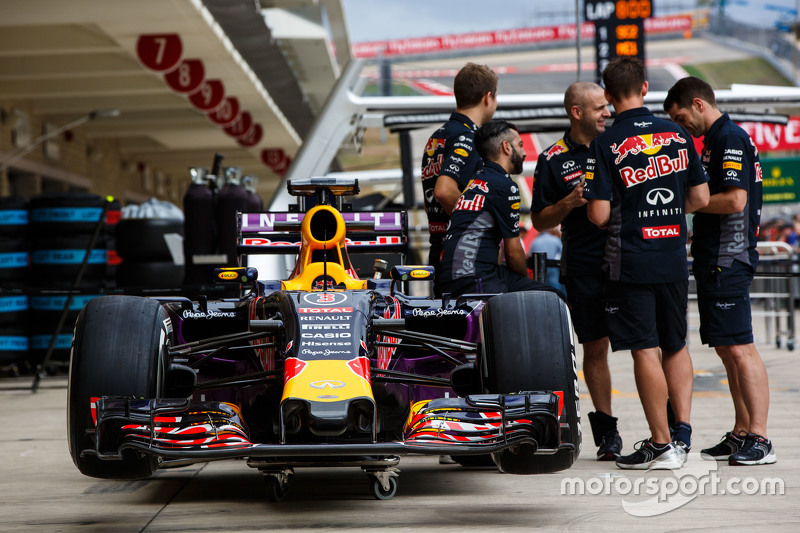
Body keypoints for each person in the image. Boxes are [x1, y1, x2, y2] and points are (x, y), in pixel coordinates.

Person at [583, 57, 709, 470]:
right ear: (646, 88)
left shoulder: (606, 142)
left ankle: (660, 444)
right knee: (675, 345)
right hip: (672, 255)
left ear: (607, 96)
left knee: (644, 349)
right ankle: (683, 433)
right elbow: (702, 199)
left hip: (630, 260)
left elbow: (599, 215)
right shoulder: (676, 132)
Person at [664, 76, 776, 466]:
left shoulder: (728, 137)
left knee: (741, 348)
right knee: (728, 351)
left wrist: (687, 204)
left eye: (681, 117)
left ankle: (760, 437)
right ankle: (742, 430)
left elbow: (733, 200)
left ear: (698, 104)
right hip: (715, 259)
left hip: (728, 258)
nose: (681, 126)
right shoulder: (713, 140)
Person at [530, 81, 621, 460]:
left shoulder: (619, 144)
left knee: (645, 347)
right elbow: (538, 219)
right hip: (582, 264)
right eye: (600, 107)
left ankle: (662, 433)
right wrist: (568, 202)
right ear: (576, 112)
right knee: (595, 347)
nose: (607, 112)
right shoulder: (551, 158)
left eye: (608, 106)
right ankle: (607, 433)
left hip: (626, 259)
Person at [438, 120, 564, 299]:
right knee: (552, 297)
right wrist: (527, 281)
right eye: (520, 145)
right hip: (474, 279)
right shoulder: (504, 186)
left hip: (452, 276)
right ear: (506, 147)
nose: (524, 152)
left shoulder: (475, 182)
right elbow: (512, 252)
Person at [421, 63, 498, 296]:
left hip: (439, 247)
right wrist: (478, 227)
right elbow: (444, 191)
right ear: (488, 98)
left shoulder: (436, 137)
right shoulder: (468, 137)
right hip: (464, 255)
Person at [528, 226, 566, 294]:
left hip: (538, 269)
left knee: (542, 289)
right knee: (556, 288)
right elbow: (562, 252)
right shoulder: (555, 239)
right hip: (553, 267)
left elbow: (530, 254)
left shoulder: (534, 241)